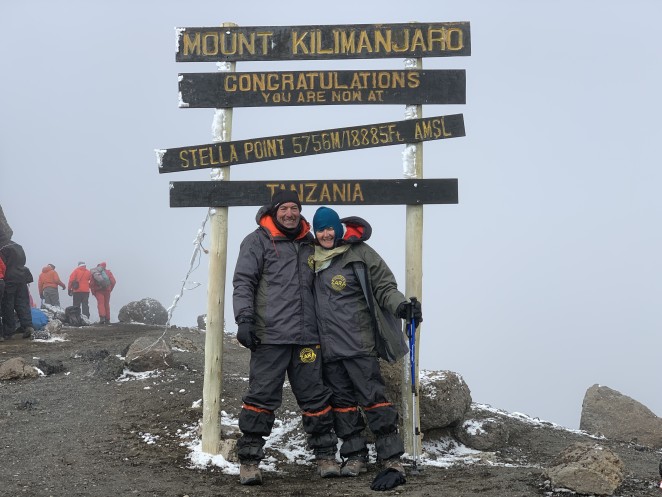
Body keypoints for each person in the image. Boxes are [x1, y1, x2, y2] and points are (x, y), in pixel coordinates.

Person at [310, 206, 423, 491]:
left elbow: (385, 286)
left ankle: (391, 459)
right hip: (329, 348)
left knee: (374, 400)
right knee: (343, 405)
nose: (325, 234)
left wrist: (402, 306)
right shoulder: (309, 257)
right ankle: (355, 456)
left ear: (338, 228)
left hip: (359, 344)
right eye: (320, 229)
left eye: (330, 228)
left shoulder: (360, 253)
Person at [232, 190, 338, 485]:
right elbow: (244, 281)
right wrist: (244, 319)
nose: (290, 213)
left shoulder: (309, 242)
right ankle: (250, 461)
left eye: (295, 208)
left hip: (307, 337)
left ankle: (326, 455)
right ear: (274, 210)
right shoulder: (257, 240)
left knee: (315, 396)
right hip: (270, 337)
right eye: (285, 208)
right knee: (261, 397)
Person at [0, 240, 35, 340]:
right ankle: (28, 326)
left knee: (8, 304)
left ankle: (8, 332)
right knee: (22, 303)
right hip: (21, 276)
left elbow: (2, 265)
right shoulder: (18, 246)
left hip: (9, 278)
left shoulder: (3, 248)